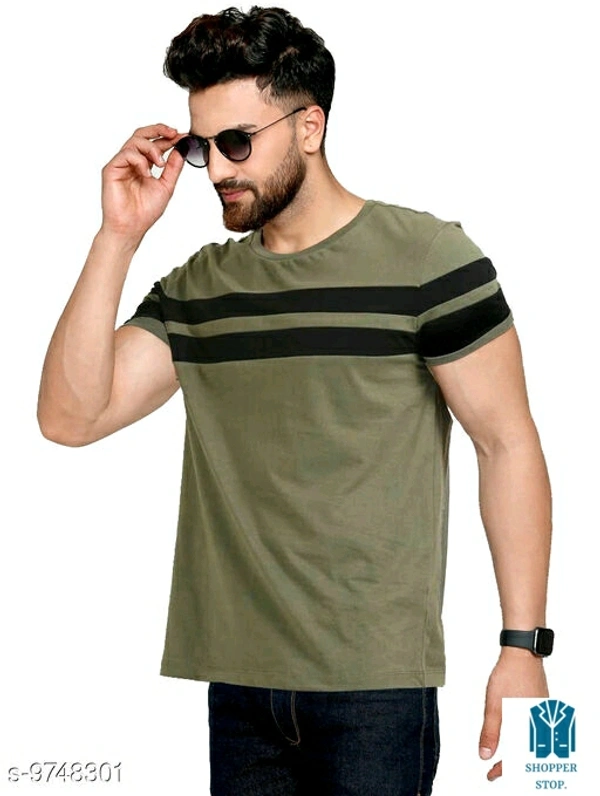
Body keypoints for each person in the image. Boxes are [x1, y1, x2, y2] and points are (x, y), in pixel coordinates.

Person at [37, 6, 552, 794]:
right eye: (201, 147)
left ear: (310, 126)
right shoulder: (201, 290)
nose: (217, 169)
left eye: (237, 142)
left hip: (375, 689)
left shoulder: (428, 261)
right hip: (238, 682)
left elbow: (506, 444)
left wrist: (522, 647)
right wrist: (118, 236)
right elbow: (69, 419)